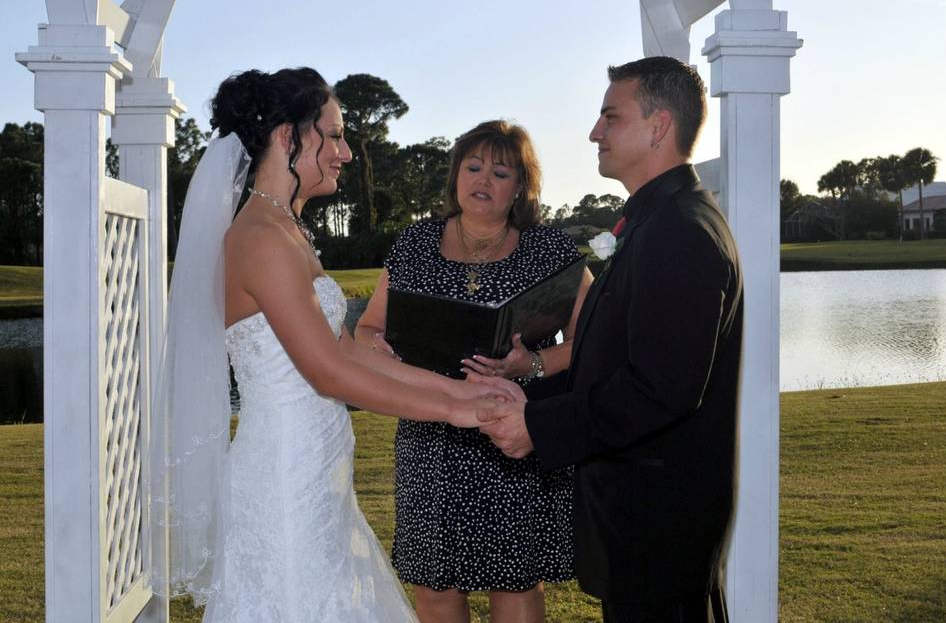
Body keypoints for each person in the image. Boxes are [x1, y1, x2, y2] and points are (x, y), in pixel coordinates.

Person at [149, 68, 512, 623]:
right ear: (286, 136)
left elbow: (348, 350)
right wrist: (459, 412)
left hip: (317, 470)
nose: (346, 152)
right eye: (335, 134)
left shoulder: (287, 228)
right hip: (284, 480)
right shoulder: (260, 238)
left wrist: (466, 388)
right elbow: (330, 375)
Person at [476, 57, 744, 623]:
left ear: (658, 126)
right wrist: (529, 389)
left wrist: (539, 427)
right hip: (638, 521)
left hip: (660, 520)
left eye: (609, 116)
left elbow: (661, 390)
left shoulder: (680, 233)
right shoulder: (652, 221)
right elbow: (616, 360)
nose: (595, 132)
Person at [354, 120, 593, 623]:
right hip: (430, 438)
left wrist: (533, 362)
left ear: (521, 186)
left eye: (500, 171)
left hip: (514, 436)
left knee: (515, 583)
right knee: (435, 587)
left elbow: (597, 337)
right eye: (473, 166)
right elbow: (368, 329)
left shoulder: (549, 251)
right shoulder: (416, 243)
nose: (483, 179)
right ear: (456, 174)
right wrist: (380, 349)